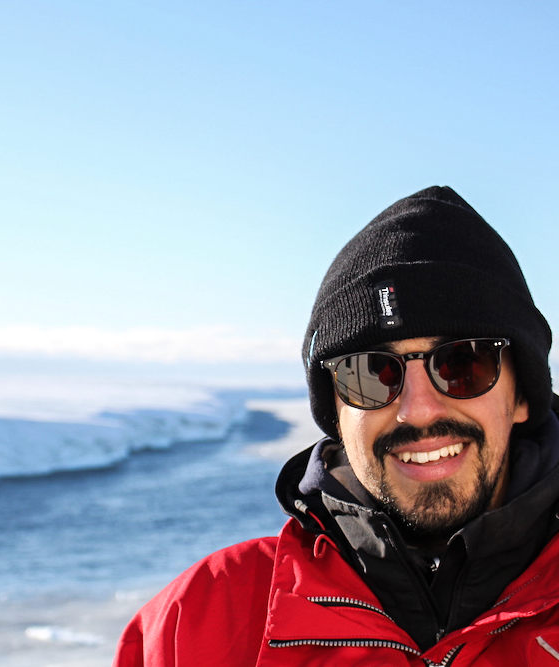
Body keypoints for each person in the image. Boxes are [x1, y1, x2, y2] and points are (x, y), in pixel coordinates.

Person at [114, 186, 559, 666]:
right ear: (336, 412)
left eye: (461, 364)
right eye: (371, 373)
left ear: (522, 395)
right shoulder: (200, 619)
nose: (419, 410)